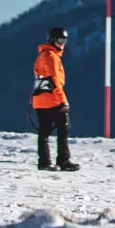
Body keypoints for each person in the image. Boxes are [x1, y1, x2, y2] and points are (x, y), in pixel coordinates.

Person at [32, 26, 79, 172]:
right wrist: (63, 100)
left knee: (44, 132)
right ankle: (63, 160)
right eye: (60, 39)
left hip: (40, 100)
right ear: (52, 40)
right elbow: (54, 80)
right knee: (63, 130)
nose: (62, 43)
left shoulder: (41, 56)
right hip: (53, 100)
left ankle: (44, 162)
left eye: (65, 39)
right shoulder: (52, 56)